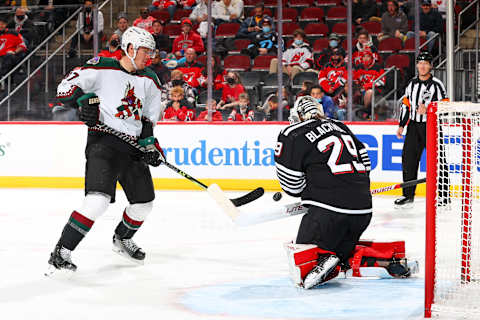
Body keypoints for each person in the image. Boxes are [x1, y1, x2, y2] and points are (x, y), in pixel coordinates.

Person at [47, 26, 164, 274]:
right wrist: (83, 103)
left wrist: (150, 147)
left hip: (131, 147)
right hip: (104, 142)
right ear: (130, 49)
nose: (149, 57)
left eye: (152, 52)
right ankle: (61, 251)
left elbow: (146, 121)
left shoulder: (151, 80)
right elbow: (64, 89)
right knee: (97, 201)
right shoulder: (101, 67)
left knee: (144, 204)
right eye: (145, 51)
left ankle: (122, 238)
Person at [275, 95, 372, 288]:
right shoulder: (341, 126)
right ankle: (381, 259)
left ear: (299, 115)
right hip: (363, 212)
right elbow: (366, 166)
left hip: (327, 214)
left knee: (301, 264)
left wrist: (315, 190)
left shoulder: (292, 133)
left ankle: (322, 259)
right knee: (343, 254)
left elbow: (292, 187)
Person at [395, 52, 449, 208]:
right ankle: (408, 195)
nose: (423, 66)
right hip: (413, 127)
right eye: (420, 63)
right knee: (408, 160)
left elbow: (445, 105)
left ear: (430, 66)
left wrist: (430, 108)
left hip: (431, 127)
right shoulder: (411, 83)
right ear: (417, 65)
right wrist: (401, 125)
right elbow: (406, 104)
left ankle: (444, 196)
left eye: (426, 63)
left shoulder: (437, 84)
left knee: (438, 161)